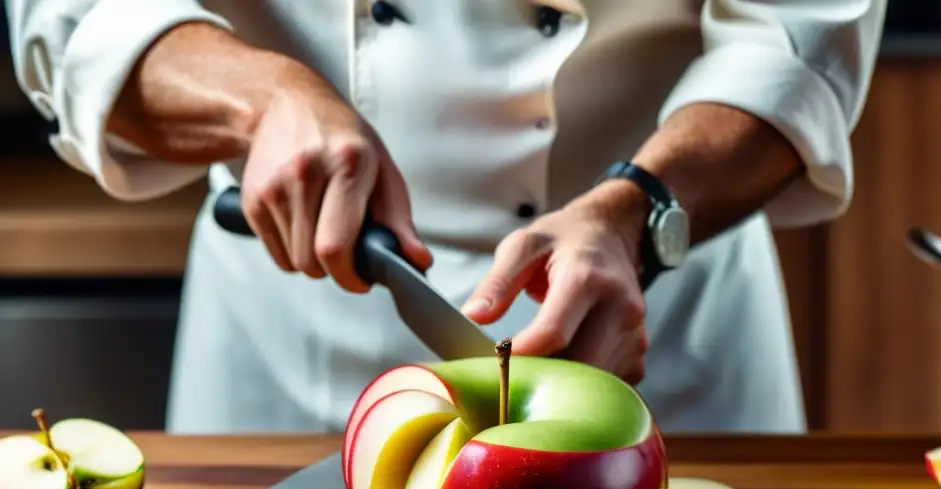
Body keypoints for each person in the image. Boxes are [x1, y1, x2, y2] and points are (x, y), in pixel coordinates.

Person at [5, 0, 887, 435]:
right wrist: (261, 100)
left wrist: (637, 213)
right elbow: (78, 15)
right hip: (292, 323)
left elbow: (798, 40)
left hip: (658, 301)